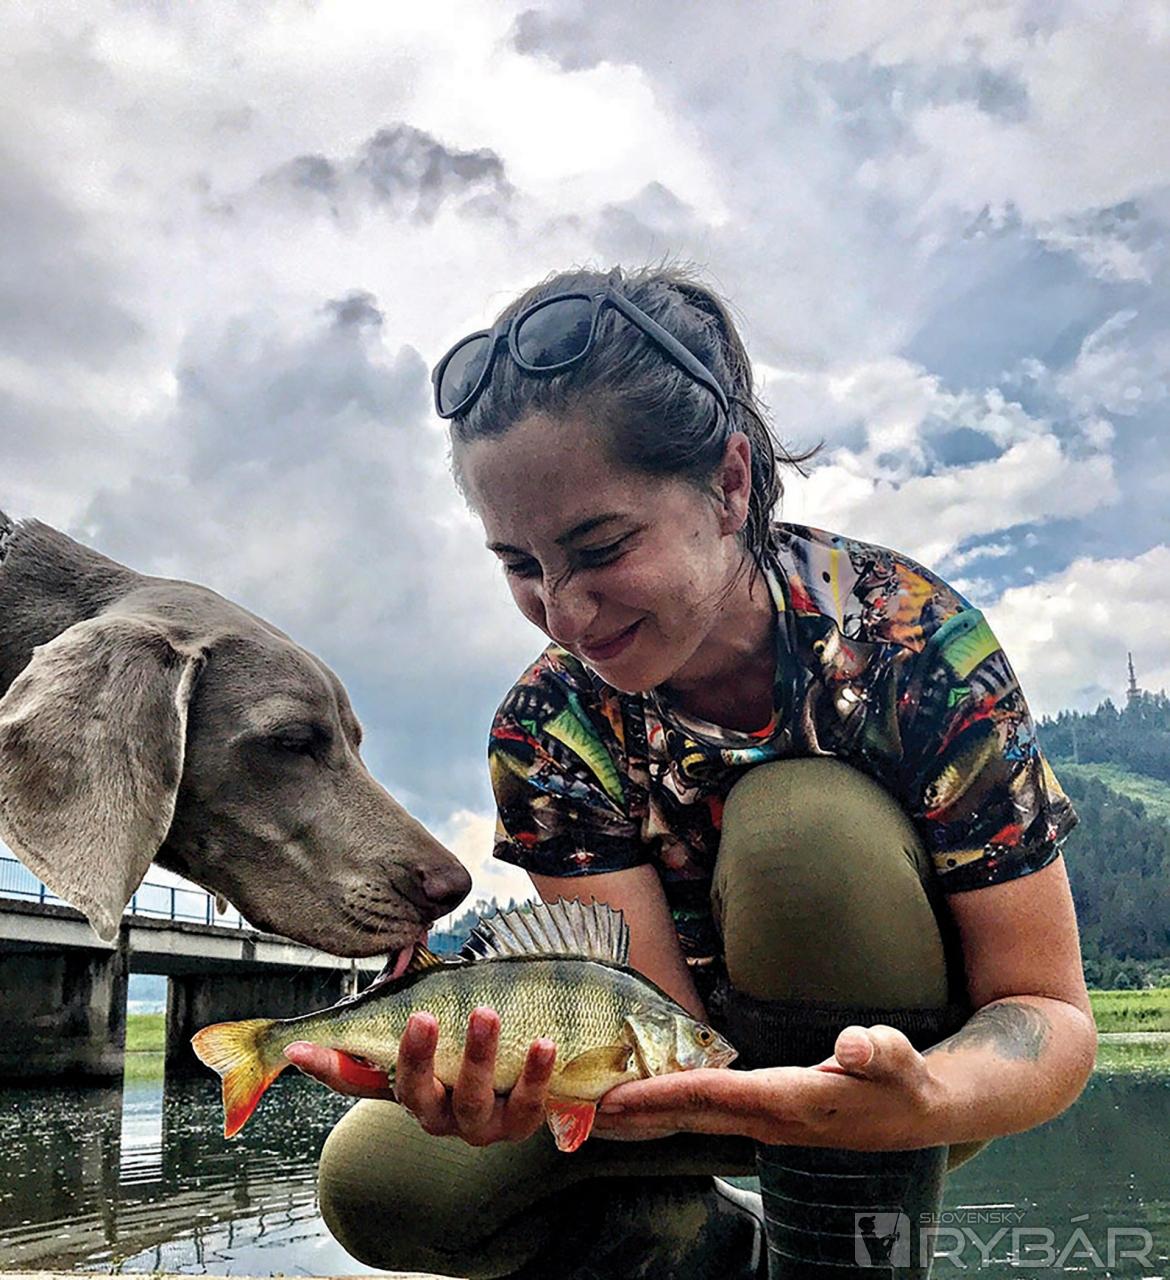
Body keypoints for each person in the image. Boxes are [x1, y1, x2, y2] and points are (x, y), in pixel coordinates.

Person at [288, 265, 1097, 1279]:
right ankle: (716, 1255)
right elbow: (639, 1032)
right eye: (520, 565)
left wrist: (927, 1096)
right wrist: (499, 1073)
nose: (564, 613)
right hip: (684, 1065)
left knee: (803, 825)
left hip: (899, 1083)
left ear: (729, 483)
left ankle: (844, 1254)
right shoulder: (545, 729)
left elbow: (1051, 1018)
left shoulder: (917, 645)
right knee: (382, 1184)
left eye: (600, 546)